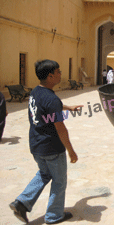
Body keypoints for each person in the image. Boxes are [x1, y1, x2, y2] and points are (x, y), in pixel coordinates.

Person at [9, 59, 82, 224]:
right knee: (59, 181)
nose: (60, 74)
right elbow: (60, 129)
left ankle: (21, 203)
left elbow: (48, 107)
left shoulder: (36, 91)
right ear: (50, 76)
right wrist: (71, 150)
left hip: (36, 145)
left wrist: (68, 108)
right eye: (58, 72)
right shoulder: (52, 99)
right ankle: (54, 215)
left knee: (44, 174)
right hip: (52, 148)